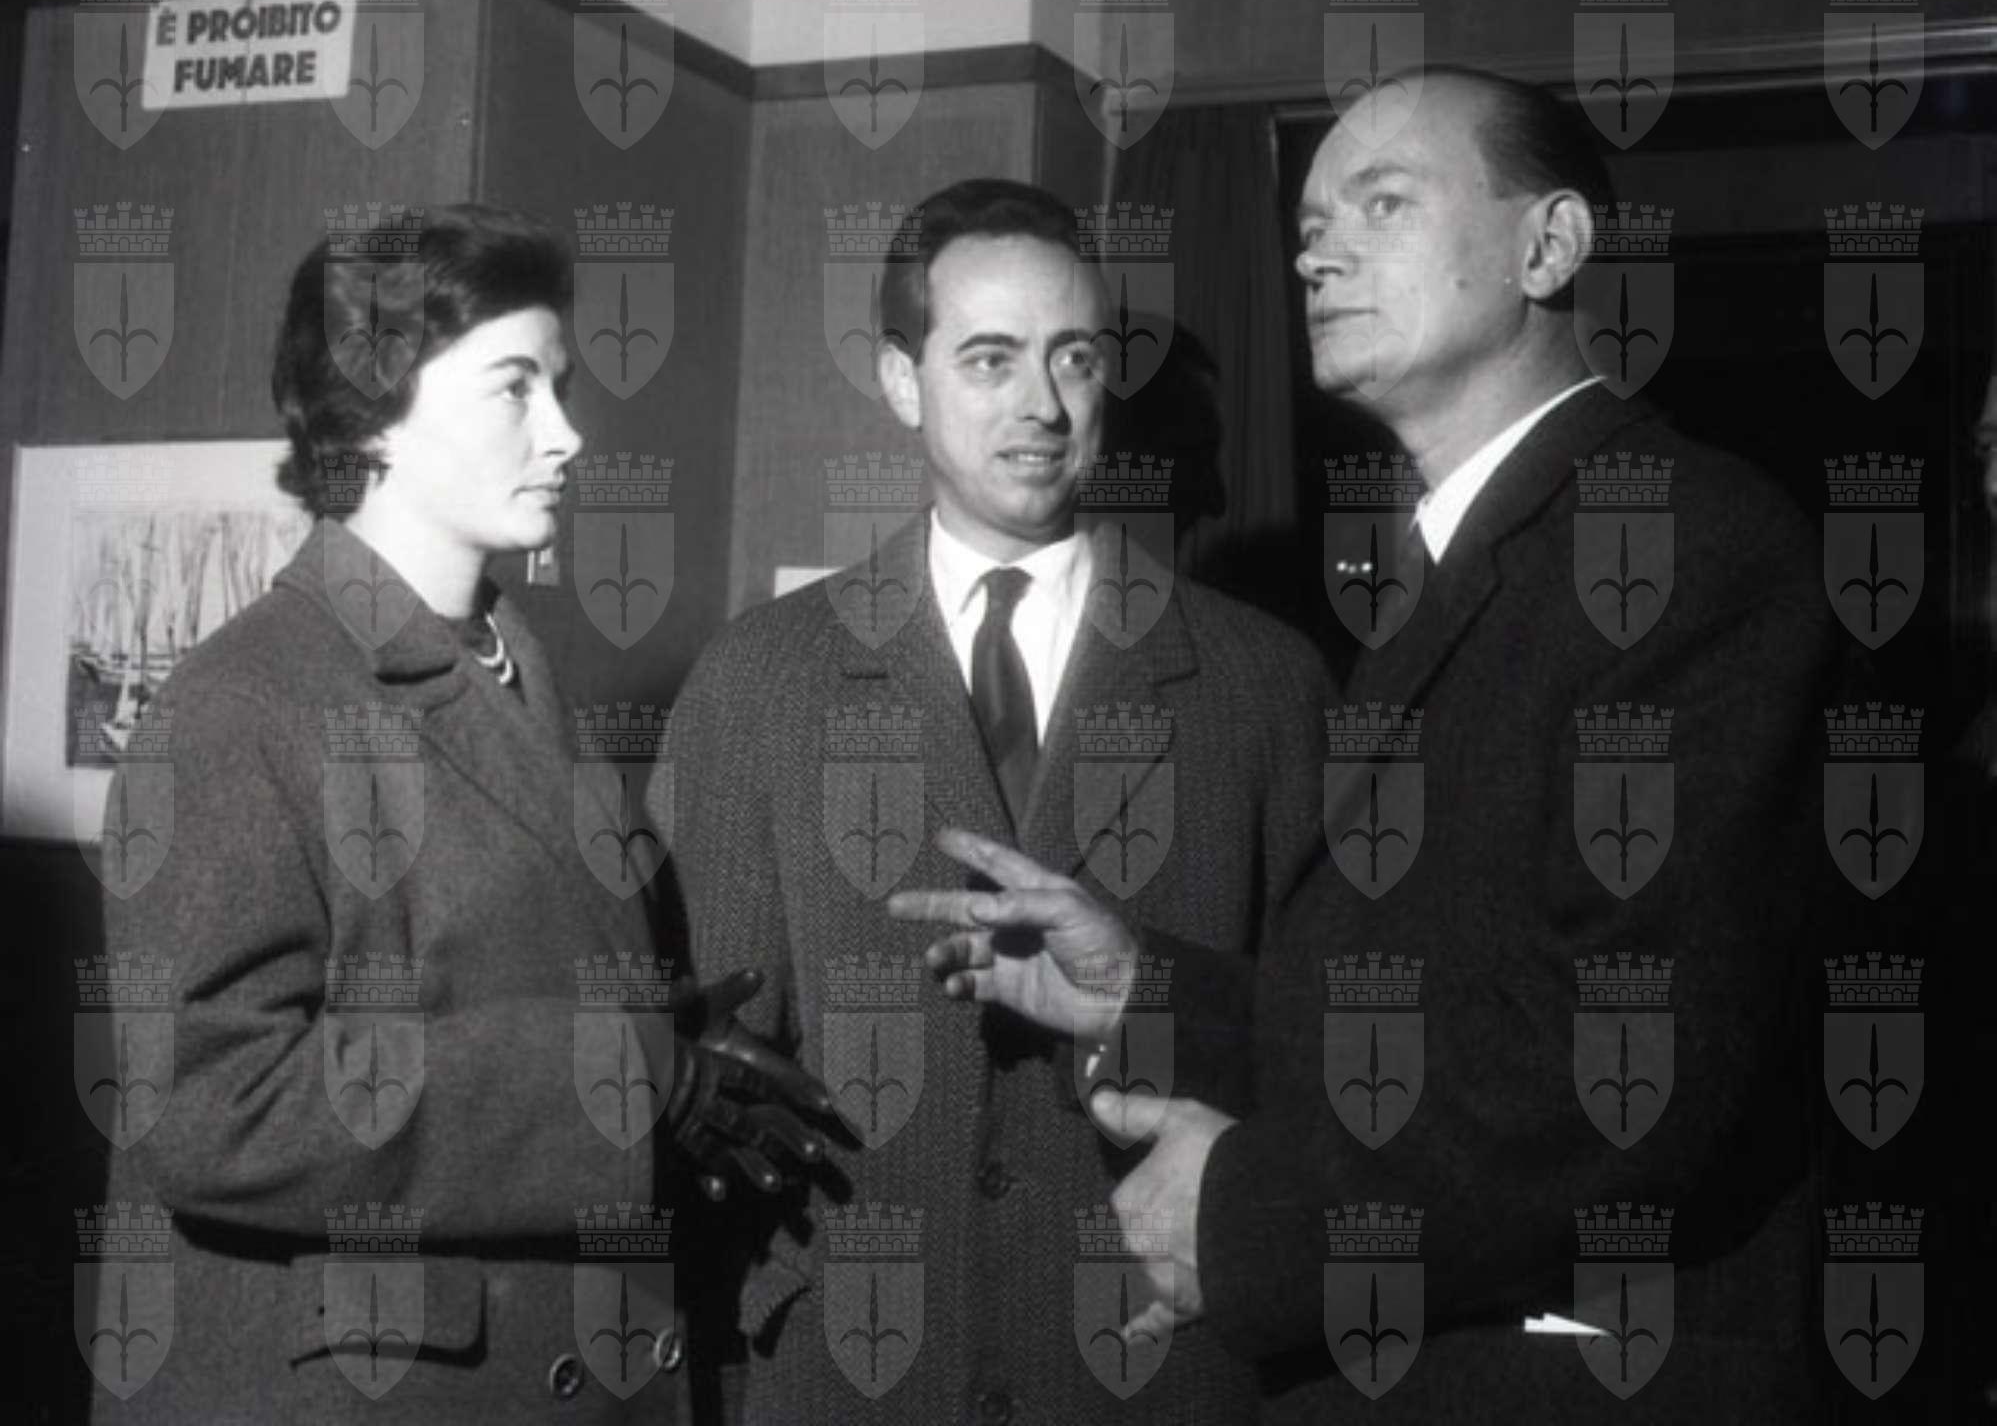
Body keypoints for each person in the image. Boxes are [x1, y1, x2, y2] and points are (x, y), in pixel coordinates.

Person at [893, 77, 1846, 1420]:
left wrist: (1244, 1220)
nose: (1315, 256)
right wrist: (1146, 995)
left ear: (1548, 246)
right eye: (1306, 229)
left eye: (1381, 204)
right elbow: (1431, 1002)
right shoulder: (1465, 561)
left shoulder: (1687, 548)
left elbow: (1629, 1072)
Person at [93, 205, 837, 1424]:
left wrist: (661, 1043)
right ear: (372, 412)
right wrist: (616, 1081)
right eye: (513, 387)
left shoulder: (513, 668)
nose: (567, 432)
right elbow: (205, 1105)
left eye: (560, 385)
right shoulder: (241, 701)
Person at [654, 178, 1332, 1422]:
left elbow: (1332, 1053)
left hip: (1154, 1372)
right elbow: (714, 1084)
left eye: (1073, 356)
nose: (1041, 404)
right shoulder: (756, 679)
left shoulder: (1264, 683)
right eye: (988, 358)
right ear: (900, 379)